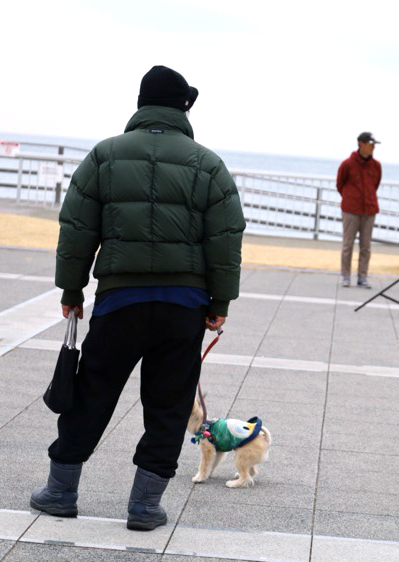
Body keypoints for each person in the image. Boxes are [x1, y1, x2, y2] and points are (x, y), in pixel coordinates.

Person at [30, 65, 246, 531]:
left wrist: (72, 288)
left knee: (92, 393)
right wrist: (220, 304)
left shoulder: (105, 156)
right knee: (168, 406)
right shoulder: (207, 164)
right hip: (183, 306)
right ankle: (145, 507)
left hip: (119, 302)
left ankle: (61, 492)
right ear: (183, 109)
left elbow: (77, 229)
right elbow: (226, 239)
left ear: (141, 105)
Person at [337, 131, 382, 288]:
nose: (372, 148)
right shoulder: (347, 164)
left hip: (369, 210)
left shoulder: (376, 166)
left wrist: (368, 199)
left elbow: (375, 184)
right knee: (347, 244)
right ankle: (345, 276)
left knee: (366, 246)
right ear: (361, 144)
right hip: (351, 210)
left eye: (374, 145)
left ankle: (362, 276)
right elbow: (340, 184)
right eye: (370, 144)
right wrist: (350, 198)